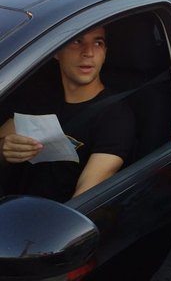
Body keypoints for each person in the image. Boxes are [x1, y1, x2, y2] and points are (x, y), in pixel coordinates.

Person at [0, 27, 135, 202]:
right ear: (56, 52)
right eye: (77, 41)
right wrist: (4, 150)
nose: (88, 52)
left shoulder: (116, 116)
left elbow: (87, 193)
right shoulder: (38, 97)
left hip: (56, 220)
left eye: (98, 43)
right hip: (10, 205)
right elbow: (3, 142)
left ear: (104, 54)